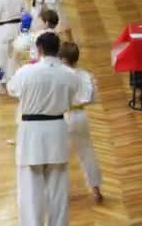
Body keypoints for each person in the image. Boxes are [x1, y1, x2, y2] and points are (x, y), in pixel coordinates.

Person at [7, 32, 77, 226]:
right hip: (57, 129)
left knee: (30, 190)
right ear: (58, 49)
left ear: (39, 49)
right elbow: (72, 98)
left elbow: (12, 90)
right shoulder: (70, 75)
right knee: (58, 190)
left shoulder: (26, 72)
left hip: (31, 132)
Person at [59, 42, 103, 203]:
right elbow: (94, 98)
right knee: (87, 153)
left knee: (59, 156)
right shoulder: (85, 75)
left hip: (62, 116)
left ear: (61, 58)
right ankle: (96, 189)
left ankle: (60, 192)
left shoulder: (58, 75)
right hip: (80, 114)